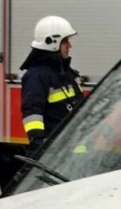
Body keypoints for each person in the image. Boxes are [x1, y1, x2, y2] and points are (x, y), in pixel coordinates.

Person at [19, 15, 84, 151]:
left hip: (73, 153)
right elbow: (32, 113)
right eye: (65, 41)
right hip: (53, 154)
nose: (70, 46)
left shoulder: (68, 73)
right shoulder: (36, 76)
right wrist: (39, 144)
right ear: (53, 43)